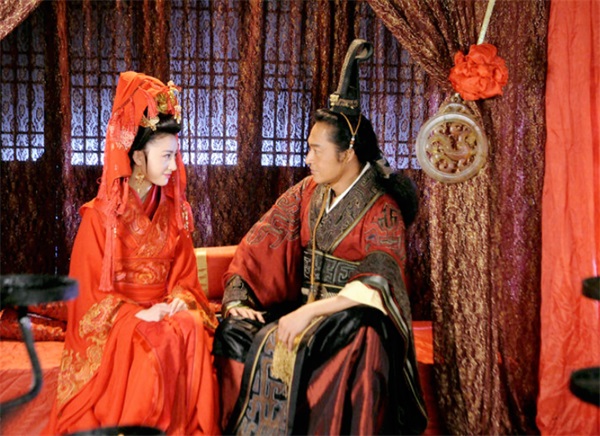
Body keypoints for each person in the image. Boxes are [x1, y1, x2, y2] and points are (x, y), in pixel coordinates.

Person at [213, 40, 428, 435]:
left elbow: (379, 285)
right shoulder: (307, 192)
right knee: (234, 332)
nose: (308, 159)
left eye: (316, 149)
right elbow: (262, 242)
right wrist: (239, 299)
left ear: (348, 152)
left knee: (364, 329)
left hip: (344, 321)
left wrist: (310, 313)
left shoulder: (382, 209)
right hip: (304, 311)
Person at [44, 71, 220, 435]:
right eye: (166, 156)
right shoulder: (99, 218)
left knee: (189, 327)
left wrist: (180, 300)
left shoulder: (173, 212)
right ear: (138, 156)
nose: (174, 166)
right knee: (153, 342)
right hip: (121, 323)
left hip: (163, 309)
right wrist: (136, 315)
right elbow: (88, 299)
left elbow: (185, 276)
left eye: (175, 156)